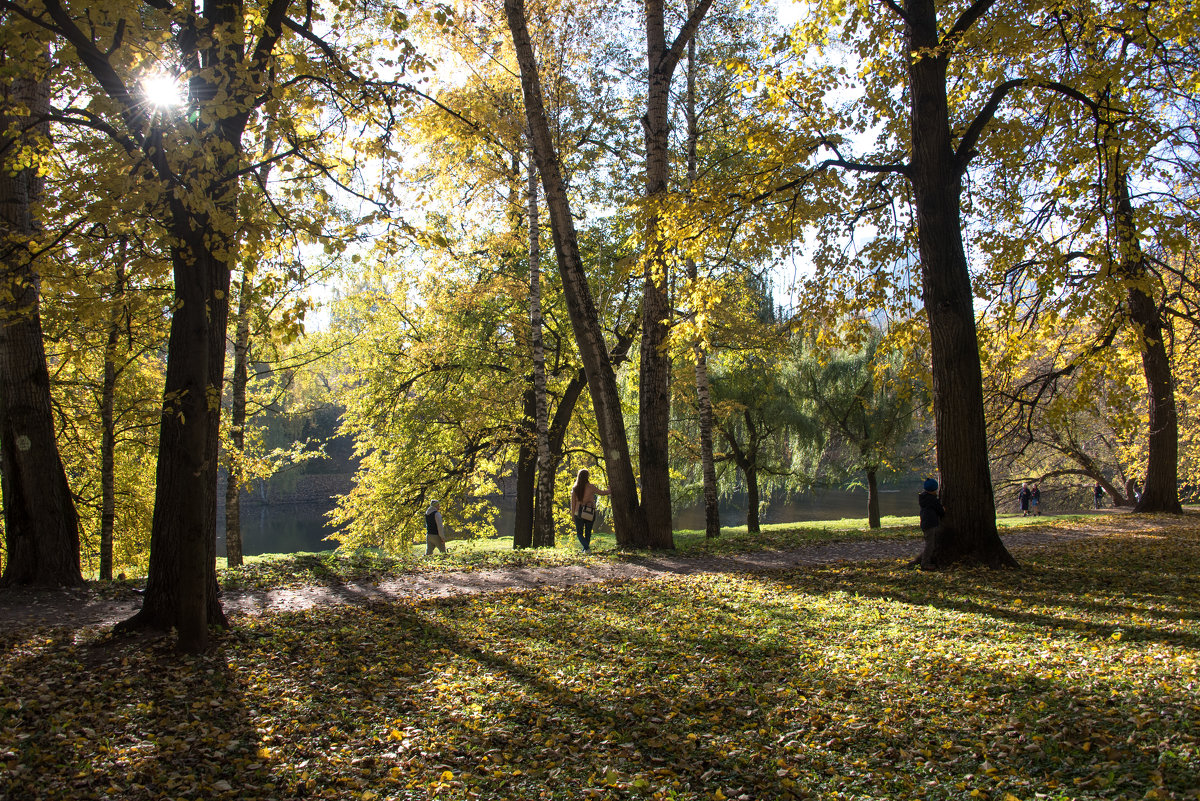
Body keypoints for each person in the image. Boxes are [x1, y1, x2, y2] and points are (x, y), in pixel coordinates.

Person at [570, 468, 610, 553]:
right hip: (590, 512)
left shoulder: (575, 488)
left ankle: (586, 549)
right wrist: (609, 490)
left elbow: (573, 504)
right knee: (588, 532)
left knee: (579, 533)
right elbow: (602, 493)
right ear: (587, 476)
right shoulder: (591, 487)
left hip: (578, 513)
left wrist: (573, 515)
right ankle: (586, 549)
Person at [918, 477, 945, 547]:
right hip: (931, 524)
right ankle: (926, 558)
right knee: (930, 544)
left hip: (925, 523)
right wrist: (943, 510)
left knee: (930, 542)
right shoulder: (932, 500)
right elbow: (940, 511)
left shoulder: (923, 498)